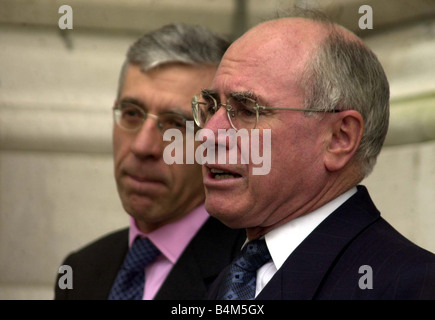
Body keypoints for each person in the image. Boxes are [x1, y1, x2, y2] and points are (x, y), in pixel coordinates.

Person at [192, 12, 435, 299]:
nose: (207, 134)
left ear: (339, 138)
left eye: (246, 110)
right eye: (211, 106)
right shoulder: (232, 278)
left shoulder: (412, 286)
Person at [54, 23, 245, 300]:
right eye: (131, 114)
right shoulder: (80, 270)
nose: (143, 146)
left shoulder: (246, 277)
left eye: (176, 124)